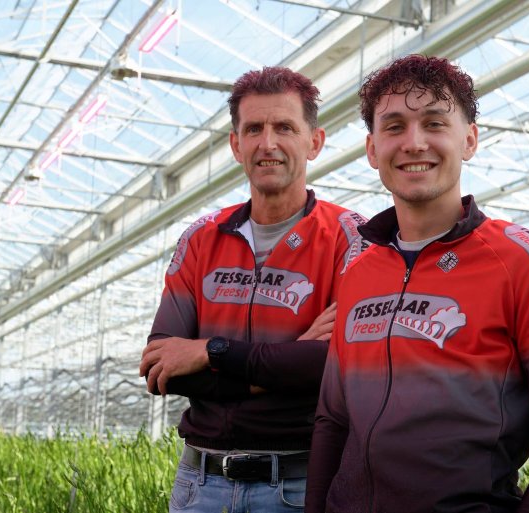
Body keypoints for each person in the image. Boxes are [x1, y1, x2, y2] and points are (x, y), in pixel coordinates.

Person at [305, 55, 529, 513]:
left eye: (434, 122)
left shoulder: (524, 260)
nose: (414, 142)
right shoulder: (359, 271)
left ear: (469, 140)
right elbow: (333, 419)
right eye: (394, 127)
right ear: (371, 150)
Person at [140, 66, 368, 512]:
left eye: (284, 127)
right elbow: (159, 368)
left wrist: (210, 351)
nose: (268, 143)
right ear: (235, 144)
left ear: (314, 141)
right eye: (254, 129)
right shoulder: (202, 238)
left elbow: (331, 364)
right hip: (199, 485)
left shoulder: (350, 238)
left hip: (299, 484)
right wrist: (286, 360)